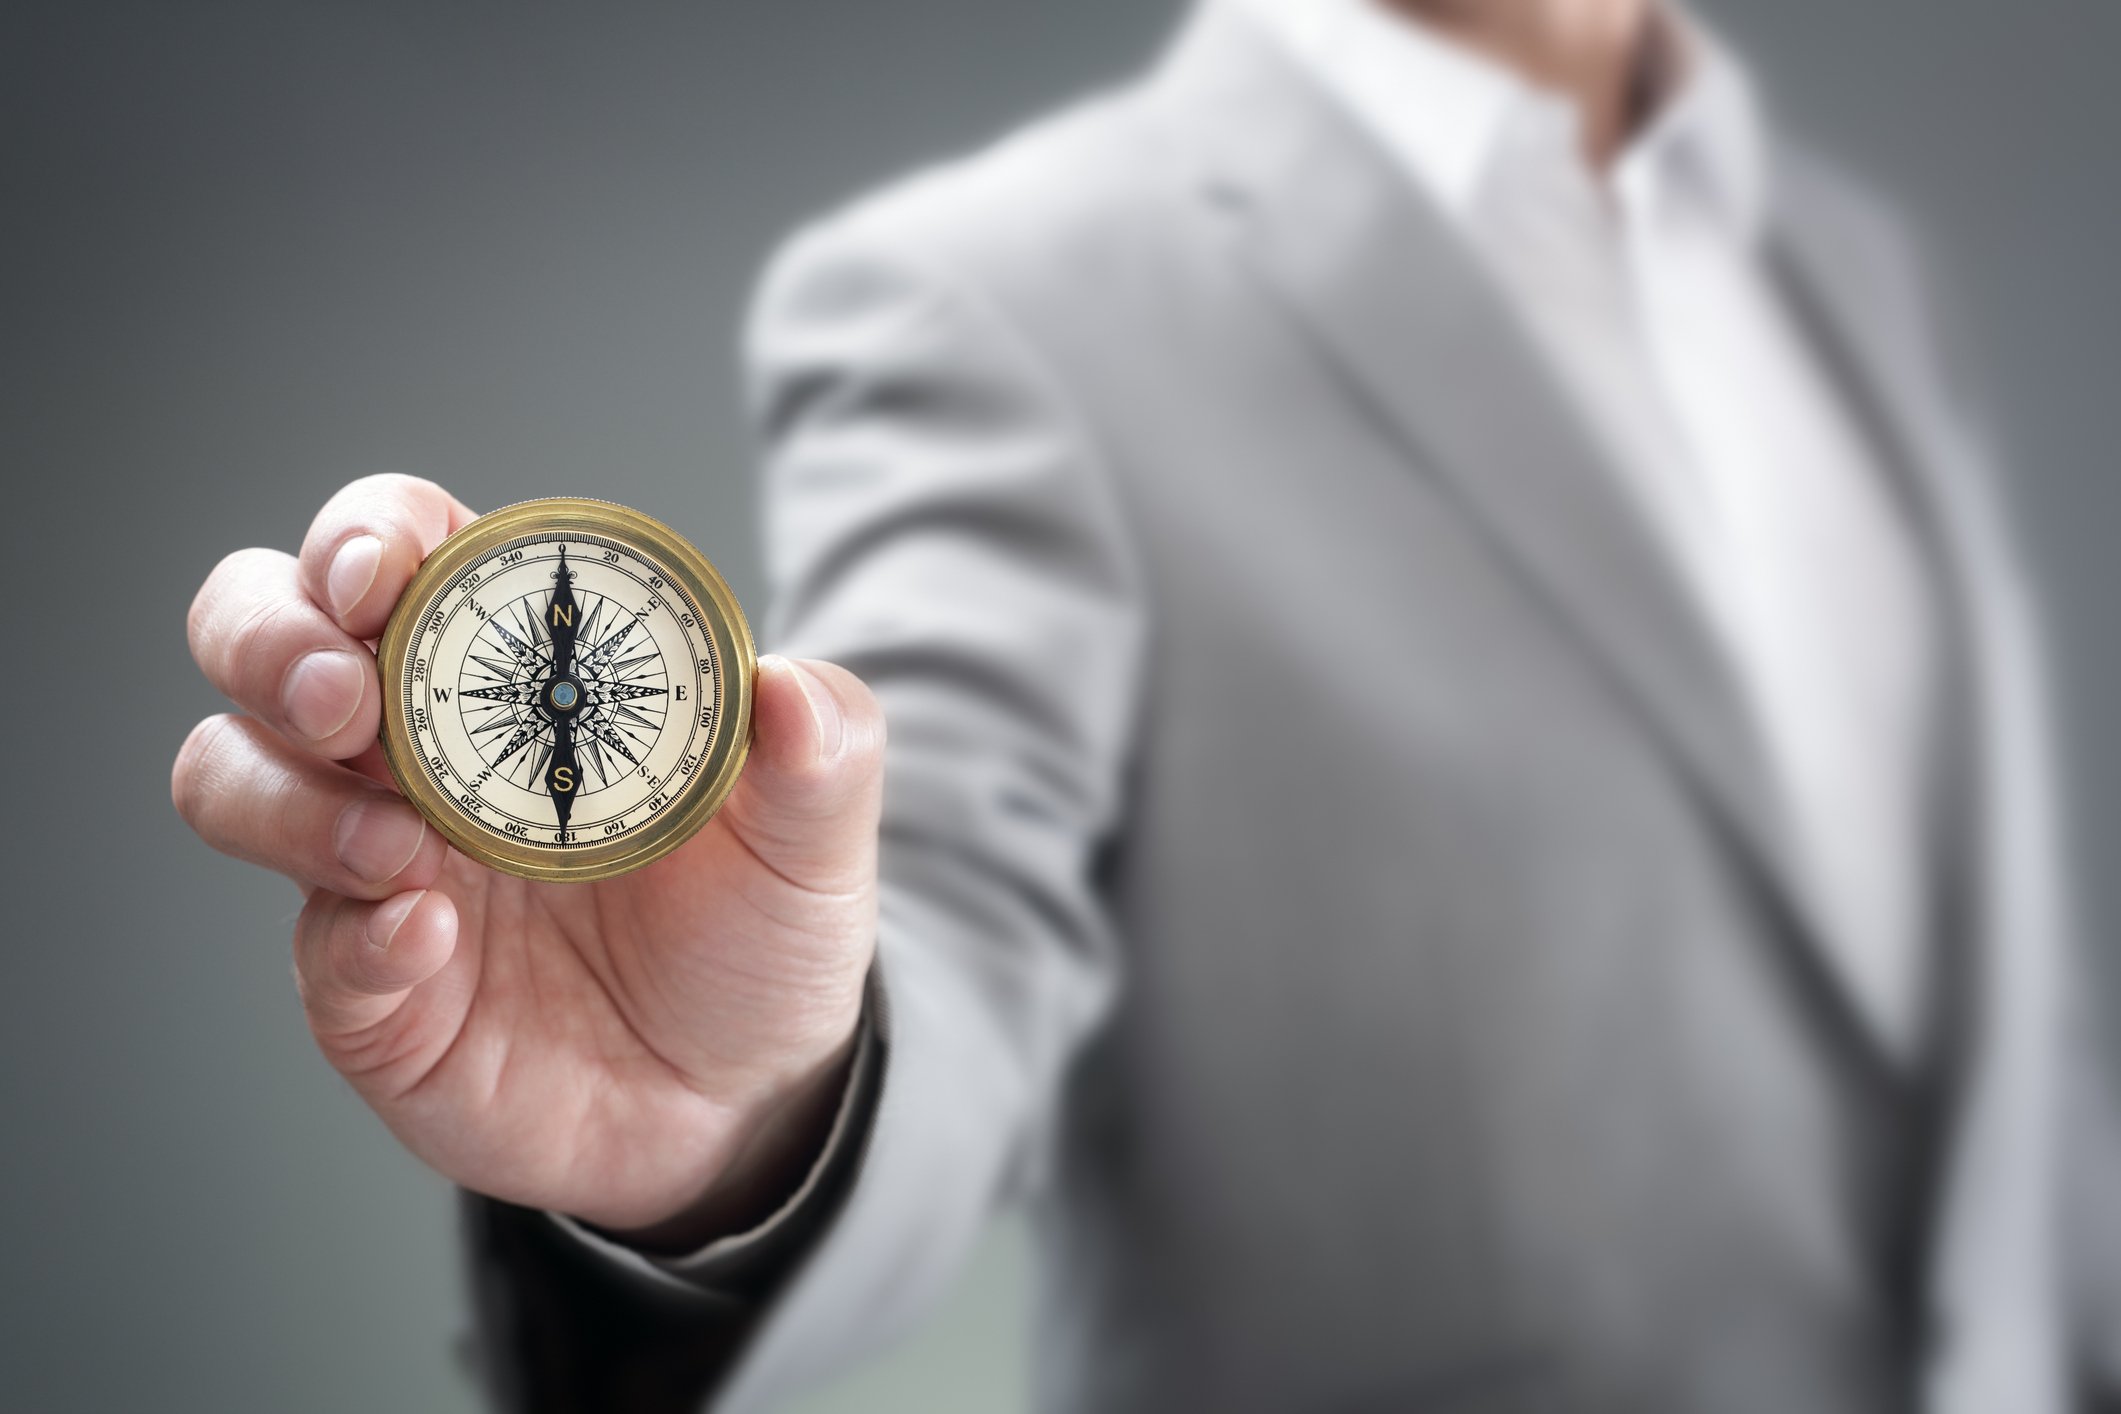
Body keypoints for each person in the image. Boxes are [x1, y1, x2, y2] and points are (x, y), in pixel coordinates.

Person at [173, 0, 2121, 1408]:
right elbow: (942, 886)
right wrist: (747, 1123)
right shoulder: (992, 297)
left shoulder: (1852, 280)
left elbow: (1969, 1054)